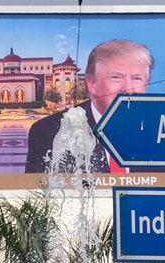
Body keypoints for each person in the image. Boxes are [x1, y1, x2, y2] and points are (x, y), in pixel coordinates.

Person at [24, 39, 154, 174]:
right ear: (92, 84)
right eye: (116, 77)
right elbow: (37, 193)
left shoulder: (158, 134)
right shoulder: (50, 132)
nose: (128, 89)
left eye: (137, 79)